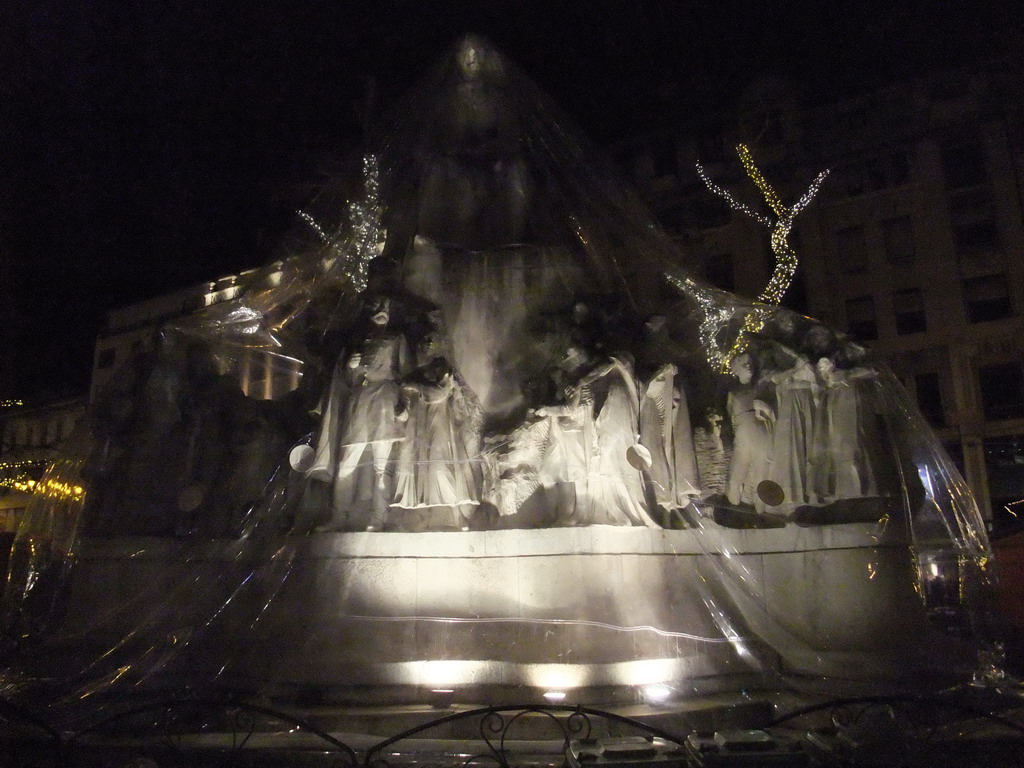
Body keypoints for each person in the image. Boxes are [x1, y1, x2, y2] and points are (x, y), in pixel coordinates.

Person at [306, 297, 411, 530]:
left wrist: (405, 405)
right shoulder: (357, 342)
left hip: (384, 399)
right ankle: (338, 515)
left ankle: (379, 516)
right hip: (361, 401)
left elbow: (406, 374)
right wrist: (351, 368)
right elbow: (348, 381)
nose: (381, 310)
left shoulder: (396, 339)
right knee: (347, 460)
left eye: (385, 306)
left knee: (381, 464)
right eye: (376, 306)